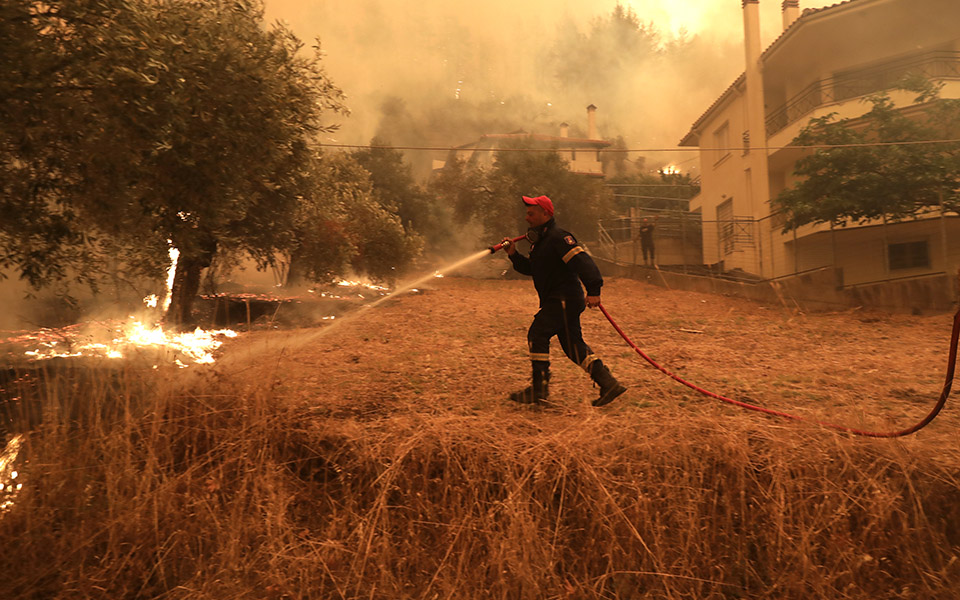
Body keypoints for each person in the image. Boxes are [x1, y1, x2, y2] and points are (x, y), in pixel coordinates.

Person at [500, 195, 627, 407]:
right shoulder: (541, 242)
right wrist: (513, 254)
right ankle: (609, 383)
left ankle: (539, 389)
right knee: (572, 345)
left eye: (531, 213)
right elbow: (532, 269)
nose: (526, 218)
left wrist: (594, 289)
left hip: (563, 299)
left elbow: (582, 262)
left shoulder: (559, 237)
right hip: (558, 299)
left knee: (537, 334)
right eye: (527, 213)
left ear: (546, 214)